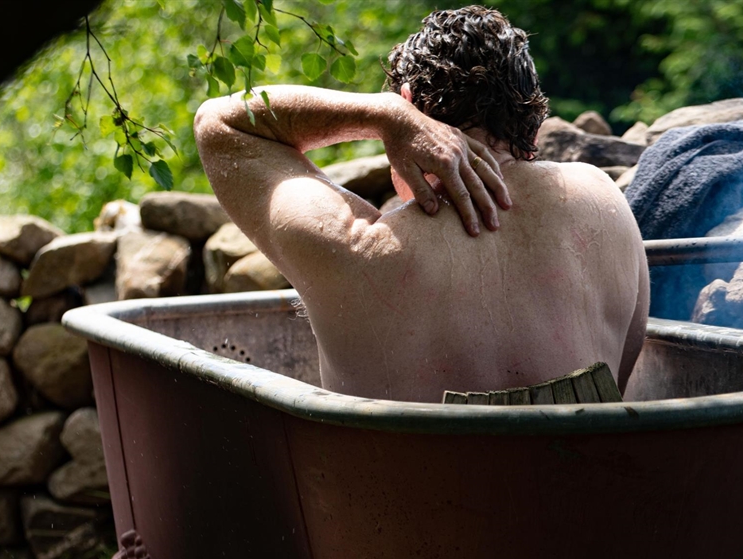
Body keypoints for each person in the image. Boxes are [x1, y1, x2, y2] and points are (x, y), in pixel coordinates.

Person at [194, 5, 648, 402]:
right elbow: (623, 375)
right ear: (532, 121)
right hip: (587, 494)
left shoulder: (352, 248)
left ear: (408, 111)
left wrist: (382, 115)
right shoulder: (604, 202)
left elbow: (219, 124)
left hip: (402, 498)